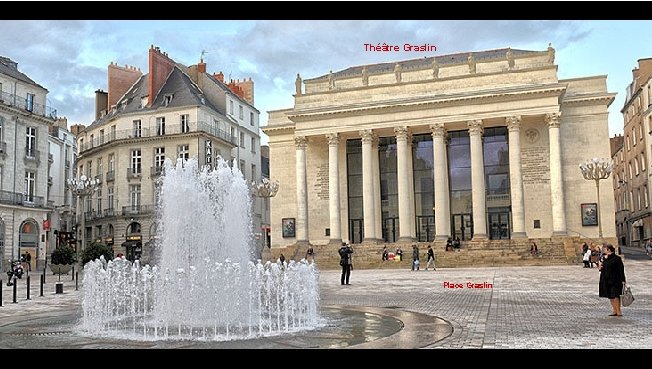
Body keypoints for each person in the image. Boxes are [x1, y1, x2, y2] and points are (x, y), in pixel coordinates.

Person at [598, 244, 626, 316]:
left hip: (615, 279)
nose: (604, 251)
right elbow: (603, 268)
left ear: (609, 250)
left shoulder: (617, 258)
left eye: (605, 249)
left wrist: (623, 279)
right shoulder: (605, 258)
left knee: (616, 296)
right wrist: (600, 267)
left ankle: (618, 311)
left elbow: (621, 269)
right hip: (606, 279)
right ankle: (614, 310)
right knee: (610, 296)